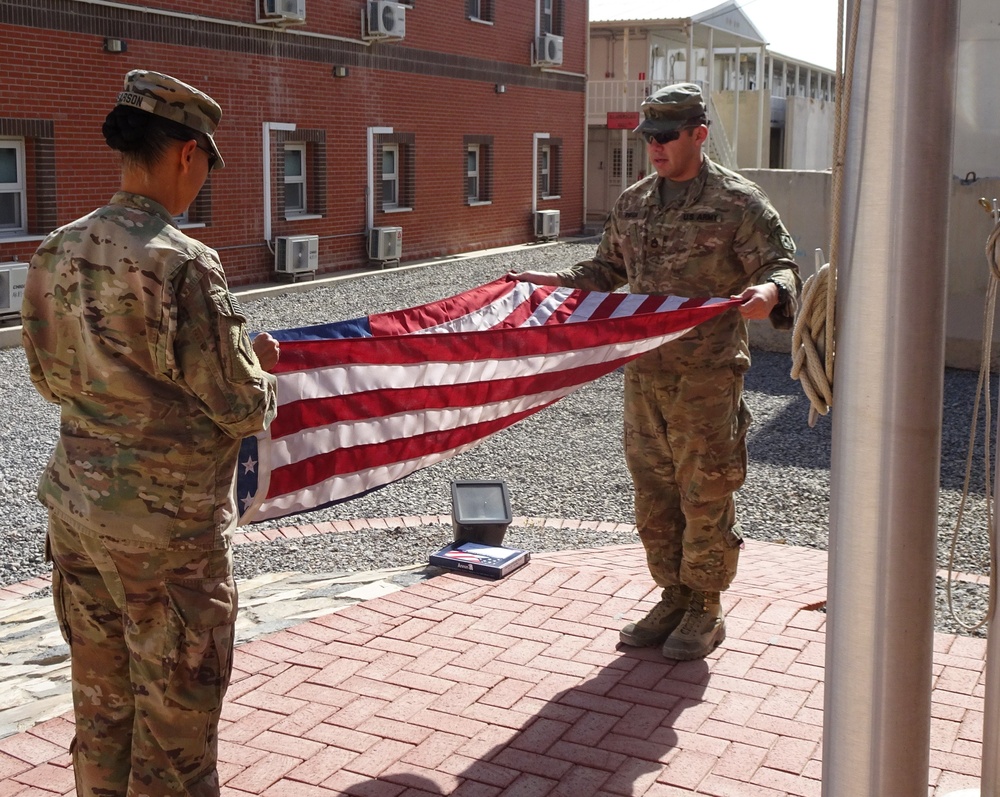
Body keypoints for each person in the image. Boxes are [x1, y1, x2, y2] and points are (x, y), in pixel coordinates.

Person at [20, 70, 279, 796]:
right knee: (175, 733)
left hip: (77, 516)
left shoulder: (55, 248)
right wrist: (266, 371)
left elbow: (47, 381)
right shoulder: (182, 262)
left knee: (102, 709)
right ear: (187, 154)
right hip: (166, 539)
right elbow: (241, 407)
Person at [512, 82, 801, 661]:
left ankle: (705, 605)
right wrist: (556, 285)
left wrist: (772, 292)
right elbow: (605, 269)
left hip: (706, 376)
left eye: (666, 136)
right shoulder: (636, 201)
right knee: (655, 494)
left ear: (699, 133)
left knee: (706, 491)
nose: (655, 148)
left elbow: (782, 264)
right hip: (644, 375)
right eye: (648, 137)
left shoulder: (737, 201)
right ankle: (672, 593)